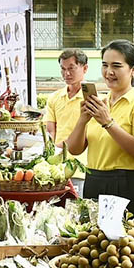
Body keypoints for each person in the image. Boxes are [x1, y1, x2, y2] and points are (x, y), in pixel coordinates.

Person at [67, 40, 134, 218]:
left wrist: (108, 123)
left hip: (125, 184)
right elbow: (74, 149)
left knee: (127, 235)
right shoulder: (100, 103)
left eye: (116, 66)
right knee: (90, 234)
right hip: (93, 180)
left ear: (133, 70)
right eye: (105, 65)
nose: (109, 72)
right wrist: (83, 120)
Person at [43, 49, 90, 192]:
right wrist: (51, 155)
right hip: (56, 167)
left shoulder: (92, 99)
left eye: (71, 68)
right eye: (63, 69)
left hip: (81, 167)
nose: (66, 73)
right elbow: (50, 131)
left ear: (85, 68)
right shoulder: (54, 98)